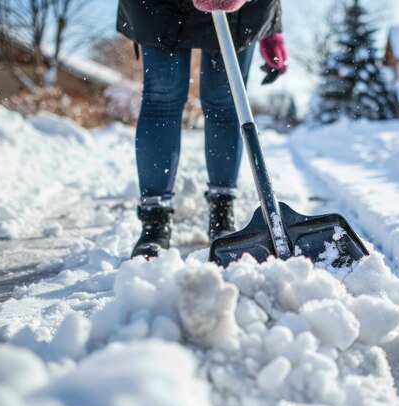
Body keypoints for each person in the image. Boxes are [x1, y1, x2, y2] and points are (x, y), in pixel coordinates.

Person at [116, 0, 287, 258]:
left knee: (224, 100)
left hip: (239, 8)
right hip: (161, 7)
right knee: (162, 96)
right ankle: (155, 220)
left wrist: (271, 31)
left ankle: (222, 211)